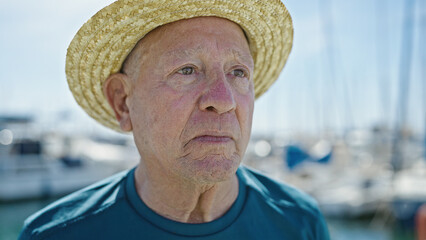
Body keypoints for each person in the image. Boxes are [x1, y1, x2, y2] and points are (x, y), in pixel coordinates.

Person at [19, 0, 330, 239]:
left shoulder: (300, 223)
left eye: (238, 72)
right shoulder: (56, 234)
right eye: (187, 70)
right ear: (123, 102)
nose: (223, 101)